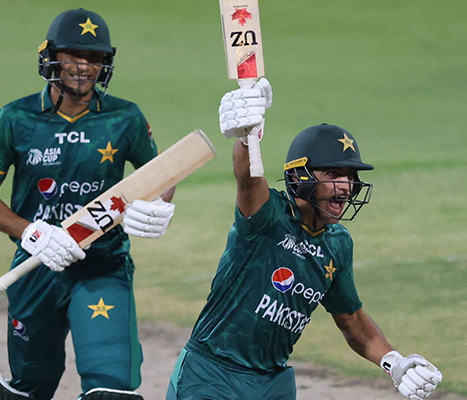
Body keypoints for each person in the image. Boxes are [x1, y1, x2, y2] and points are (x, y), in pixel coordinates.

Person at [164, 79, 442, 400]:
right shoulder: (268, 215)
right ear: (300, 176)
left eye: (351, 177)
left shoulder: (337, 244)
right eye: (333, 174)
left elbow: (351, 320)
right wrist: (246, 137)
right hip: (213, 372)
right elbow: (248, 178)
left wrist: (394, 361)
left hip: (274, 383)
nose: (345, 187)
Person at [0, 8, 175, 400]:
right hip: (35, 266)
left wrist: (158, 208)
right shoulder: (15, 118)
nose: (84, 66)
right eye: (74, 55)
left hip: (102, 264)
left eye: (94, 58)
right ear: (51, 57)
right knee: (29, 387)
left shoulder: (124, 119)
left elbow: (161, 175)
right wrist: (32, 232)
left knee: (111, 387)